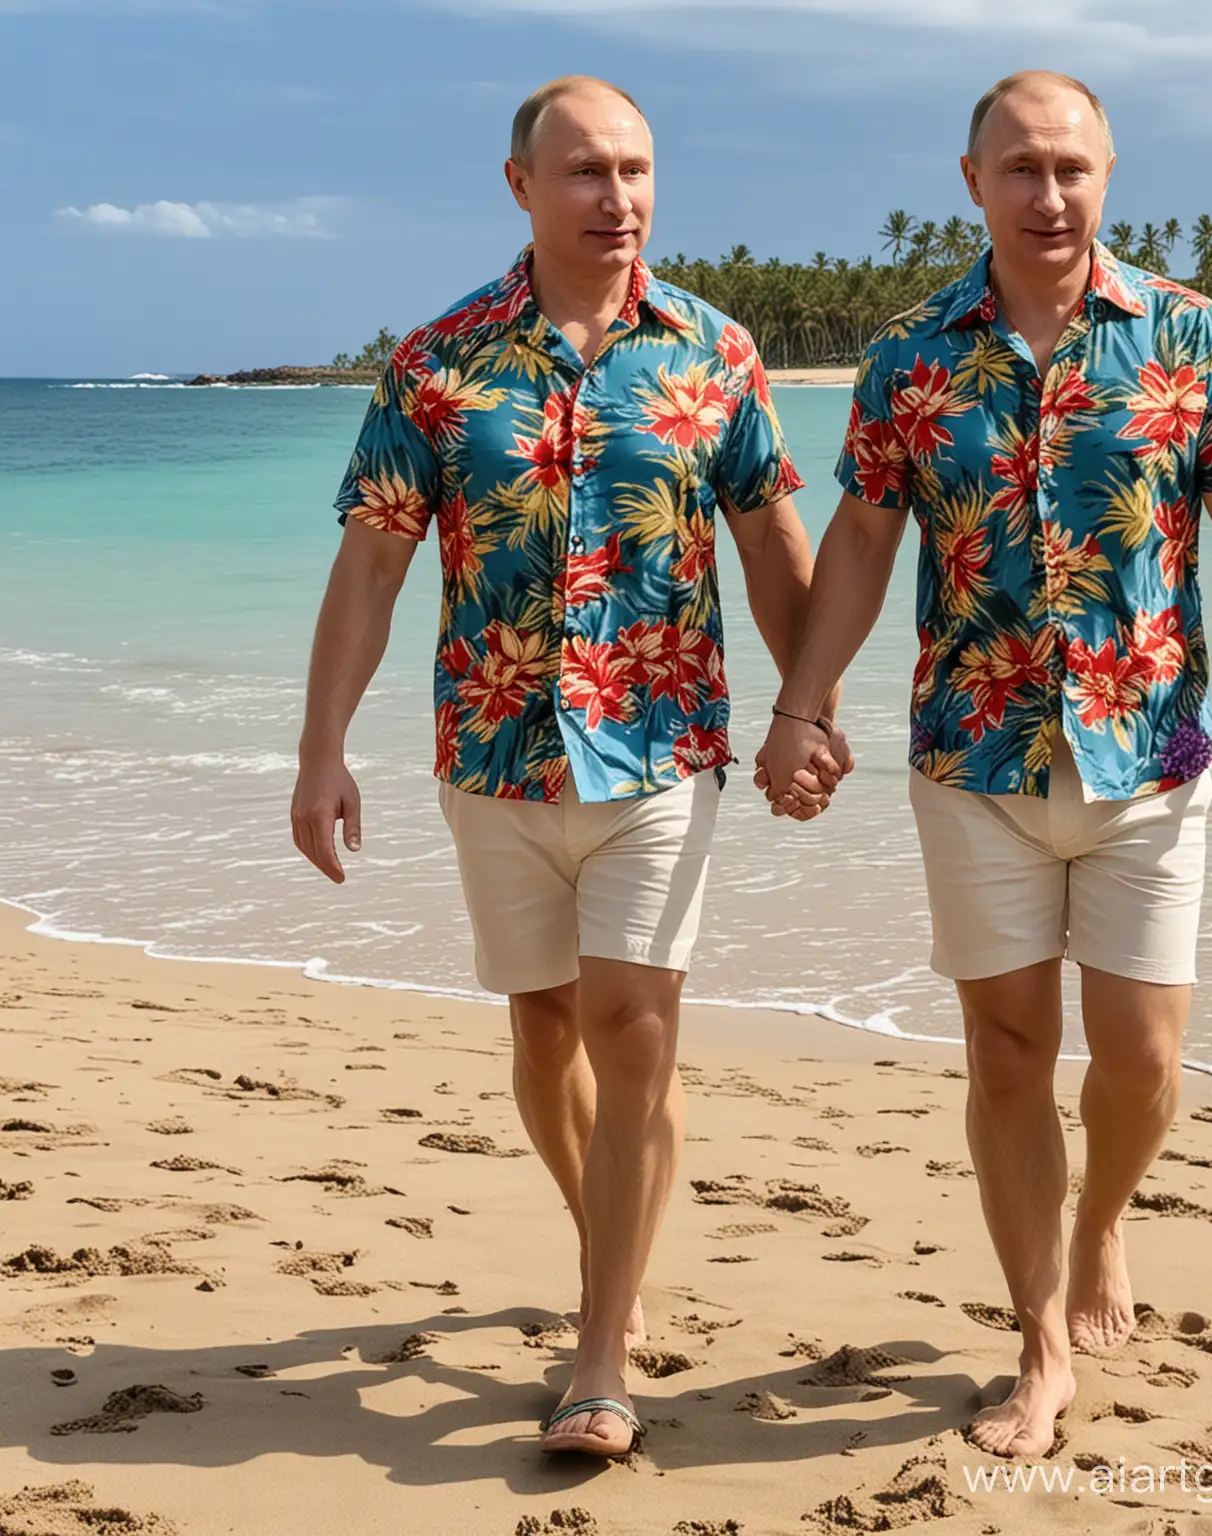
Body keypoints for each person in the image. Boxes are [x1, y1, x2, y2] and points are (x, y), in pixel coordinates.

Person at [290, 75, 846, 1460]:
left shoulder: (713, 351)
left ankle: (601, 1354)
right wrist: (320, 751)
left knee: (634, 1035)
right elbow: (371, 565)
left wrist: (808, 706)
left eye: (639, 170)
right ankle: (610, 1240)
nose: (620, 199)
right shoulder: (436, 364)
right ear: (521, 186)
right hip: (491, 753)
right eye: (589, 172)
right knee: (543, 1033)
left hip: (660, 752)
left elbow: (778, 548)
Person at [757, 70, 1212, 1459]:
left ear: (1107, 173)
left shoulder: (1186, 335)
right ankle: (1040, 1342)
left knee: (1143, 1058)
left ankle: (1103, 1223)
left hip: (1151, 759)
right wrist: (801, 706)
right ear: (973, 180)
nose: (1048, 194)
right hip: (974, 761)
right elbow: (867, 545)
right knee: (1006, 1061)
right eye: (1020, 169)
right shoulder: (910, 354)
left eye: (1072, 168)